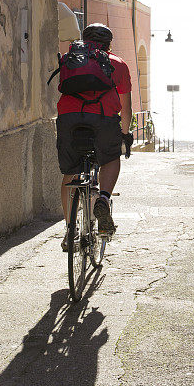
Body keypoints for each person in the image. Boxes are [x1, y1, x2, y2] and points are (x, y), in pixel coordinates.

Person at [55, 23, 133, 249]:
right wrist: (125, 136)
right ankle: (103, 199)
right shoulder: (117, 64)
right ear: (109, 44)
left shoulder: (71, 60)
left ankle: (70, 230)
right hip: (102, 119)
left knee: (71, 173)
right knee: (110, 159)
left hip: (69, 118)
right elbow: (126, 109)